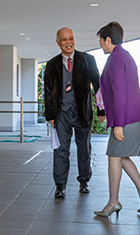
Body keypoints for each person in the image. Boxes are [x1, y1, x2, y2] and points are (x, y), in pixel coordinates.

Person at [93, 22, 140, 217]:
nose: (101, 45)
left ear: (108, 40)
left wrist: (118, 124)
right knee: (120, 156)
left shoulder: (116, 58)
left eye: (101, 41)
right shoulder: (123, 55)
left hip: (127, 116)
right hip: (132, 114)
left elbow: (119, 93)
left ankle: (113, 202)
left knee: (114, 155)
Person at [44, 27, 104, 198]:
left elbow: (98, 86)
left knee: (84, 148)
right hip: (61, 113)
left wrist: (101, 110)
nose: (68, 42)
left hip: (82, 112)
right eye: (64, 39)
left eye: (71, 38)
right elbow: (48, 91)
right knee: (61, 150)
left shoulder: (87, 60)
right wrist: (50, 116)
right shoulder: (52, 64)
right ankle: (60, 185)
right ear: (58, 42)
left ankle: (84, 181)